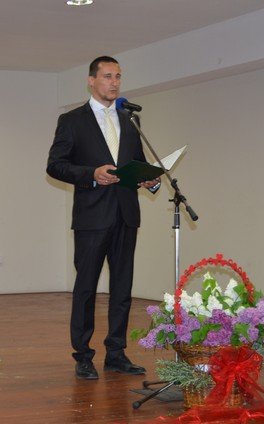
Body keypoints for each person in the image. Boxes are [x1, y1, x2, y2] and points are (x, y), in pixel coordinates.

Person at [47, 56, 161, 380]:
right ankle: (83, 356)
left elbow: (136, 162)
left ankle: (116, 353)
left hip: (126, 214)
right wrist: (92, 174)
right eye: (108, 76)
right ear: (91, 80)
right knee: (85, 289)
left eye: (118, 77)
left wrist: (149, 179)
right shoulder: (72, 120)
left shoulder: (130, 120)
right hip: (92, 217)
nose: (114, 82)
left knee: (122, 289)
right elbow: (55, 165)